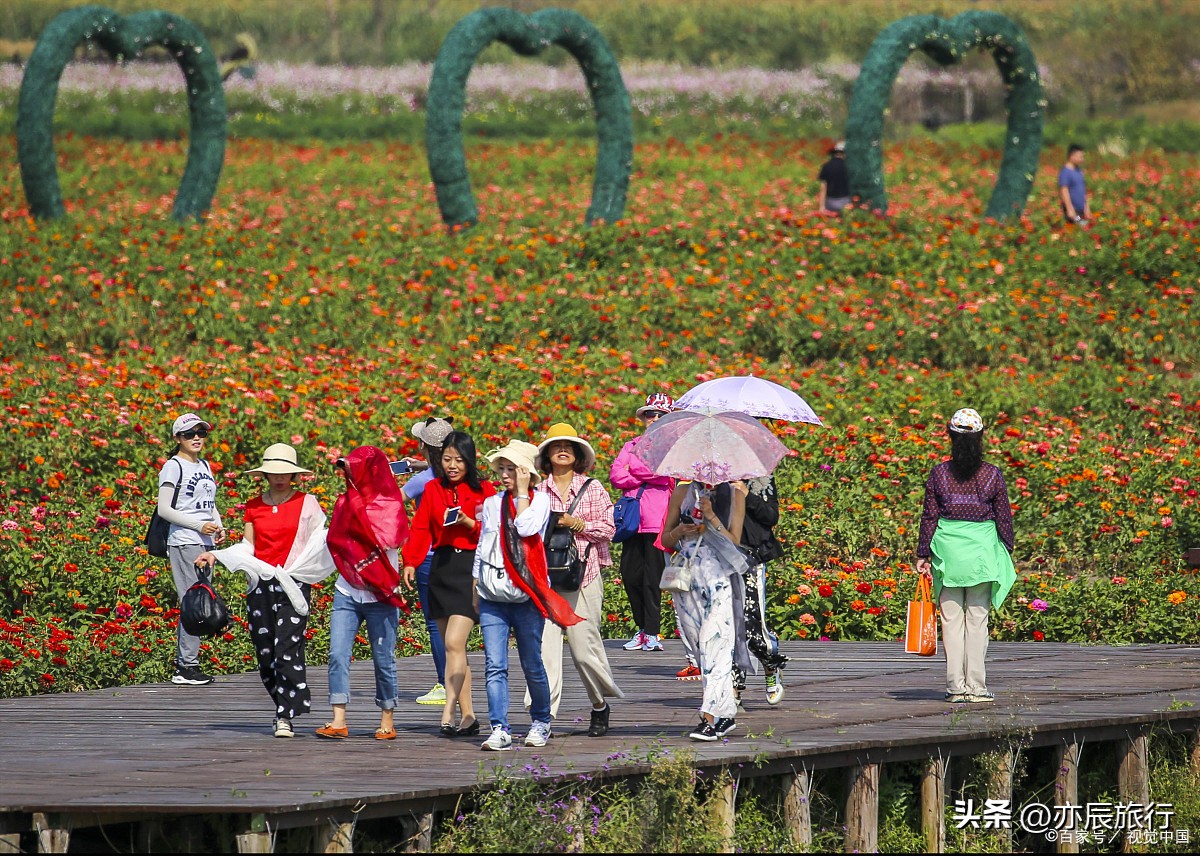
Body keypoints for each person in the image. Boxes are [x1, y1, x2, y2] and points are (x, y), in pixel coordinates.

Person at [196, 443, 330, 737]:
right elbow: (248, 546)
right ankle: (283, 706)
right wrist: (216, 555)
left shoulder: (308, 503)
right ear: (265, 475)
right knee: (266, 652)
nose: (279, 478)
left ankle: (285, 714)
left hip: (293, 582)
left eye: (285, 473)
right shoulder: (254, 505)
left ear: (294, 475)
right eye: (273, 473)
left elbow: (320, 541)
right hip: (260, 585)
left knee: (286, 648)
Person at [473, 440, 583, 751]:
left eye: (512, 469)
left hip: (526, 594)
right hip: (493, 593)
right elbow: (484, 544)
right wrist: (474, 584)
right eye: (502, 469)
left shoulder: (541, 501)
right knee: (494, 664)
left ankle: (541, 720)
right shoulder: (493, 503)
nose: (505, 475)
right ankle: (499, 727)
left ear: (527, 473)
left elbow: (524, 528)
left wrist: (522, 490)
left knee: (531, 661)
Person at [528, 423, 623, 737]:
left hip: (584, 575)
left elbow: (609, 529)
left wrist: (576, 523)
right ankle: (544, 716)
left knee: (584, 649)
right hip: (546, 580)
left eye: (569, 446)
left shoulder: (592, 487)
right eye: (556, 447)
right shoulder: (538, 491)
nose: (563, 450)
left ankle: (599, 705)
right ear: (548, 455)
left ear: (578, 454)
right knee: (546, 651)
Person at [916, 408, 1016, 705]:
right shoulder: (992, 474)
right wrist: (1006, 550)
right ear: (981, 437)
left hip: (948, 553)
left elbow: (929, 517)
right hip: (982, 553)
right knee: (978, 620)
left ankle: (955, 687)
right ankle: (977, 687)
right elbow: (1004, 518)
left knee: (951, 621)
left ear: (951, 436)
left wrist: (923, 554)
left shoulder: (939, 474)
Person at [402, 431, 496, 738]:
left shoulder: (485, 490)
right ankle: (469, 716)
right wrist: (412, 561)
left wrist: (468, 523)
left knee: (455, 643)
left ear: (469, 460)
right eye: (446, 459)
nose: (452, 466)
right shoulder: (432, 488)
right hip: (441, 568)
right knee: (453, 649)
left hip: (470, 569)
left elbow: (493, 530)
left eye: (458, 460)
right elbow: (420, 528)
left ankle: (448, 711)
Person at [318, 446, 411, 740]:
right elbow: (336, 540)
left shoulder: (391, 505)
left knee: (384, 659)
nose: (347, 474)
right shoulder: (344, 502)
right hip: (346, 591)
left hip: (380, 594)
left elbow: (390, 541)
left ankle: (387, 718)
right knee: (337, 654)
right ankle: (338, 719)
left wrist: (362, 523)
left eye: (352, 468)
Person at [661, 479, 750, 741]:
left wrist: (710, 516)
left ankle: (708, 718)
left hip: (719, 577)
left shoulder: (736, 494)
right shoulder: (681, 491)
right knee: (700, 650)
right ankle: (726, 714)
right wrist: (680, 530)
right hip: (687, 580)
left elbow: (734, 539)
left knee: (716, 642)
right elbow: (665, 537)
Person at [157, 412, 225, 686]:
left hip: (205, 542)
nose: (196, 438)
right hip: (185, 540)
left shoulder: (205, 465)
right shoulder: (173, 466)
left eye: (201, 433)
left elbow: (209, 503)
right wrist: (199, 526)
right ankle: (185, 666)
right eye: (189, 434)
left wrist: (218, 526)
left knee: (201, 600)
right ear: (177, 439)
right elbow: (164, 509)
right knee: (193, 602)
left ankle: (189, 663)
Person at [609, 393, 677, 653]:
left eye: (661, 415)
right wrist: (647, 473)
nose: (654, 419)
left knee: (652, 578)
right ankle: (641, 629)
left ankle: (652, 632)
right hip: (632, 520)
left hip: (657, 520)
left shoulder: (673, 449)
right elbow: (616, 475)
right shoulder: (631, 444)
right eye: (651, 414)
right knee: (630, 575)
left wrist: (633, 469)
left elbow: (665, 475)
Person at [401, 416, 456, 707]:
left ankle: (444, 683)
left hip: (429, 557)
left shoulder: (421, 481)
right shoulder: (458, 472)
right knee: (455, 620)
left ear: (423, 445)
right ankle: (458, 679)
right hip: (458, 556)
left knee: (436, 624)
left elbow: (395, 502)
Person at [735, 475, 790, 707]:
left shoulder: (761, 478)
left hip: (751, 555)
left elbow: (771, 516)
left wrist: (748, 496)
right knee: (728, 625)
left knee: (752, 623)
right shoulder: (714, 480)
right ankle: (734, 686)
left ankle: (771, 663)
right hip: (719, 557)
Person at [1058, 143, 1090, 225]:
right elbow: (1064, 191)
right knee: (1078, 228)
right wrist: (1069, 209)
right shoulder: (1065, 172)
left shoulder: (1079, 171)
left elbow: (1083, 190)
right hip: (1073, 212)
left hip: (1081, 210)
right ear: (1072, 156)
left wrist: (1086, 206)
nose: (1082, 159)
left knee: (1084, 228)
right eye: (1080, 157)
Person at [817, 141, 851, 213]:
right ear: (844, 154)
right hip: (846, 202)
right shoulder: (849, 167)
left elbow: (823, 188)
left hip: (830, 202)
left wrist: (821, 206)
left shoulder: (826, 166)